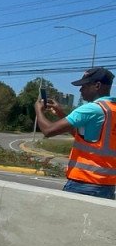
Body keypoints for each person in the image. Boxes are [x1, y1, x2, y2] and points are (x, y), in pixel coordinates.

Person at [34, 67, 116, 200]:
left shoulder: (91, 109)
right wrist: (61, 113)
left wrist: (38, 110)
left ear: (97, 85)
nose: (80, 90)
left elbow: (48, 130)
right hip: (107, 186)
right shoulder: (112, 110)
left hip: (84, 183)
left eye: (84, 86)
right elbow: (84, 137)